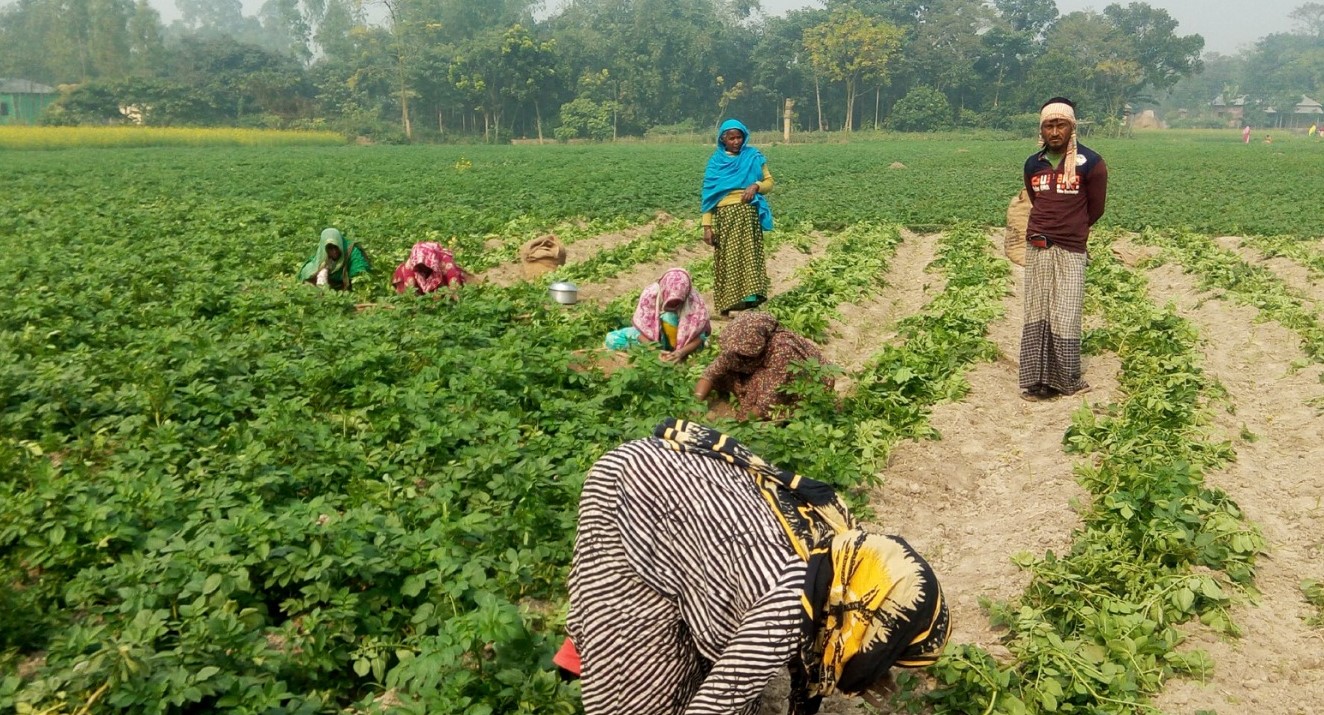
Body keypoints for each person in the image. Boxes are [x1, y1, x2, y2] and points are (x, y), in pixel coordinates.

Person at [567, 418, 950, 715]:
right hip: (634, 493)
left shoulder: (847, 561)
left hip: (690, 495)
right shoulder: (784, 610)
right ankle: (592, 645)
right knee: (636, 682)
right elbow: (720, 700)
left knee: (705, 653)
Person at [1019, 97, 1108, 401]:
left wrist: (1072, 228)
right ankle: (1035, 381)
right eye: (1048, 126)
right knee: (1037, 311)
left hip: (1071, 248)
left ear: (1072, 127)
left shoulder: (1092, 163)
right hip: (1038, 246)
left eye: (1061, 125)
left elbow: (1095, 208)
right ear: (1041, 130)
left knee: (1066, 313)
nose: (1054, 131)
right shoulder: (1034, 163)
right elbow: (1035, 199)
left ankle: (1065, 379)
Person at [695, 311, 832, 419]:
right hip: (770, 373)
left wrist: (741, 425)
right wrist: (695, 402)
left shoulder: (782, 350)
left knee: (761, 394)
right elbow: (711, 373)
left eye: (744, 353)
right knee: (725, 373)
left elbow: (769, 398)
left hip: (802, 383)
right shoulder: (738, 345)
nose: (738, 356)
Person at [702, 118, 774, 317]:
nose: (736, 141)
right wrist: (707, 226)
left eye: (739, 137)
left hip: (748, 214)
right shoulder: (716, 162)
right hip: (725, 216)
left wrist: (756, 186)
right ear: (723, 139)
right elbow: (708, 196)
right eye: (731, 138)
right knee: (727, 258)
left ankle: (750, 303)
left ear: (744, 137)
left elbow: (769, 182)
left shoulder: (753, 156)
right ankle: (727, 303)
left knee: (749, 256)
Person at [604, 268, 711, 362]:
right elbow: (641, 330)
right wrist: (655, 352)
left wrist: (681, 352)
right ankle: (662, 352)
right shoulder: (650, 295)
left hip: (684, 344)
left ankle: (674, 354)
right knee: (611, 339)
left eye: (678, 302)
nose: (674, 305)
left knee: (669, 317)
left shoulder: (694, 301)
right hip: (654, 341)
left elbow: (700, 336)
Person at [298, 227, 370, 290]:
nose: (334, 251)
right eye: (330, 248)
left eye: (336, 247)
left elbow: (360, 274)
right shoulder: (323, 254)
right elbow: (308, 271)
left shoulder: (352, 252)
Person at [391, 241, 470, 296]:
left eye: (424, 265)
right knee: (402, 274)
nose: (423, 268)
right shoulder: (410, 265)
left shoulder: (445, 262)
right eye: (419, 266)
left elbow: (454, 285)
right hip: (418, 286)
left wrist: (449, 296)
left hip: (441, 284)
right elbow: (410, 291)